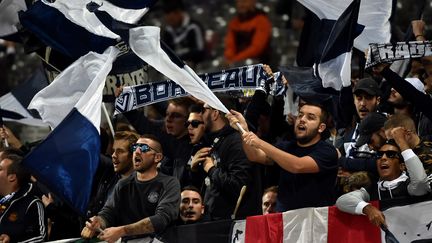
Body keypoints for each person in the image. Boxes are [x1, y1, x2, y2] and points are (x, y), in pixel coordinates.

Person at [227, 102, 338, 211]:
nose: (302, 119)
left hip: (314, 218)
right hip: (285, 218)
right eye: (300, 115)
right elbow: (255, 155)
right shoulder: (287, 146)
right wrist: (243, 129)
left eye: (310, 117)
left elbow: (297, 165)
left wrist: (260, 143)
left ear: (321, 127)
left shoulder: (327, 151)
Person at [81, 135, 180, 242]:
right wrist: (98, 222)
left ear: (157, 157)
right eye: (134, 148)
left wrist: (122, 231)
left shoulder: (170, 183)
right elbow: (108, 213)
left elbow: (161, 219)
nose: (137, 152)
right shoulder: (123, 184)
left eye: (143, 148)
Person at [191, 101, 261, 220]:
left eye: (203, 111)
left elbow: (238, 187)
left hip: (232, 224)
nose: (200, 115)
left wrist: (211, 169)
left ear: (215, 113)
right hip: (212, 219)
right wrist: (193, 169)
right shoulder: (211, 142)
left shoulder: (237, 142)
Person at [336, 140, 429, 227]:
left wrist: (403, 144)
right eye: (379, 155)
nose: (383, 158)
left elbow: (420, 181)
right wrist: (367, 208)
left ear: (402, 166)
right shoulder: (372, 189)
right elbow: (342, 201)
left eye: (390, 155)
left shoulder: (409, 186)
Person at [85, 131, 139, 218]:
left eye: (120, 151)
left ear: (134, 154)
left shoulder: (141, 185)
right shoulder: (109, 174)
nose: (114, 155)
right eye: (114, 150)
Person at [0, 150, 47, 242]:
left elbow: (40, 237)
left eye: (0, 169)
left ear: (12, 177)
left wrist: (11, 240)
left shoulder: (32, 204)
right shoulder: (2, 202)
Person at [224, 0, 272, 65]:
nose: (241, 4)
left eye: (244, 1)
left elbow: (256, 48)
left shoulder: (261, 21)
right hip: (236, 63)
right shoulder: (234, 22)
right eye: (239, 1)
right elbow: (230, 45)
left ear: (253, 2)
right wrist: (229, 58)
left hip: (257, 64)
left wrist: (235, 60)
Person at [161, 0, 206, 67]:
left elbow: (200, 51)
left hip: (196, 66)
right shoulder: (168, 32)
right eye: (168, 20)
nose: (170, 22)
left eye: (172, 19)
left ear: (179, 13)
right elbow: (166, 54)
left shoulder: (194, 27)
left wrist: (180, 57)